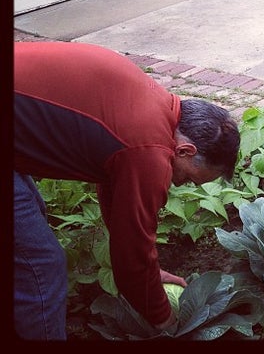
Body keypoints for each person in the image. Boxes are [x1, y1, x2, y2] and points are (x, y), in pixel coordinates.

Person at [14, 40, 240, 340]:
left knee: (26, 227)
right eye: (188, 179)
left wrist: (151, 275)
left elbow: (119, 206)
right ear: (185, 150)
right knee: (40, 264)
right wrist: (164, 320)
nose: (178, 184)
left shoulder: (154, 106)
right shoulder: (150, 151)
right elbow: (130, 257)